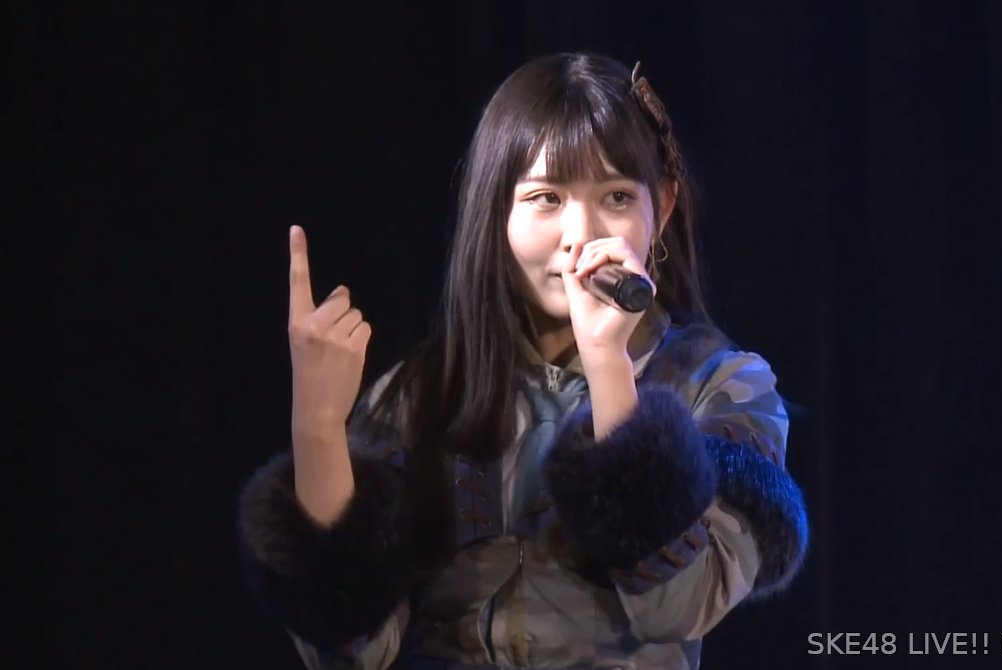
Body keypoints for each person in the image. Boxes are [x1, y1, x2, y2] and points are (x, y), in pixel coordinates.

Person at [238, 52, 809, 670]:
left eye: (617, 196)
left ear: (662, 208)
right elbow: (349, 653)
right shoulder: (420, 396)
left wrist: (608, 364)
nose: (581, 234)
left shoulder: (721, 385)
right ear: (497, 212)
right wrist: (318, 430)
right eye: (546, 198)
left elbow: (680, 605)